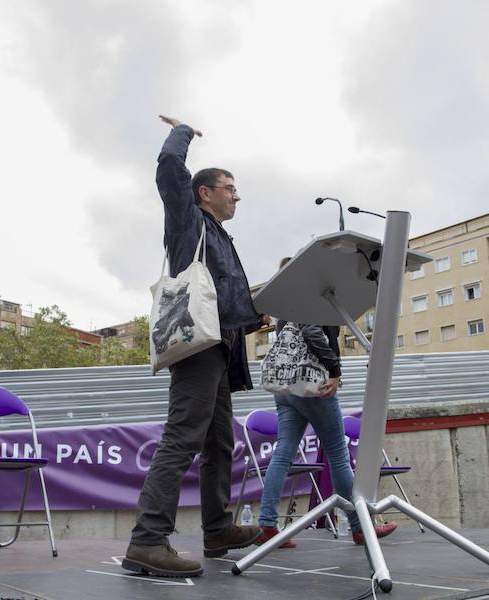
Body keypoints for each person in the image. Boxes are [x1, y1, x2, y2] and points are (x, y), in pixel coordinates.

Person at [122, 115, 267, 578]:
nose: (236, 195)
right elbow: (168, 166)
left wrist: (254, 313)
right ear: (204, 193)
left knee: (219, 441)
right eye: (230, 187)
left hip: (221, 348)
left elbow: (221, 296)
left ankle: (217, 528)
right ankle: (147, 540)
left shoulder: (220, 236)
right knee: (184, 436)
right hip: (198, 350)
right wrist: (183, 131)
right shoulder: (188, 220)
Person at [256, 275, 397, 548]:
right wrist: (334, 369)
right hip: (314, 387)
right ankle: (360, 527)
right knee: (338, 456)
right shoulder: (312, 299)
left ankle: (267, 524)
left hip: (285, 389)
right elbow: (310, 332)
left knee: (283, 452)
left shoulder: (285, 304)